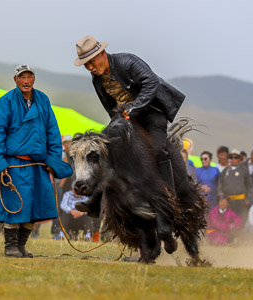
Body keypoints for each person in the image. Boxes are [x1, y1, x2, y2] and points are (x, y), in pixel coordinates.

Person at [73, 35, 186, 214]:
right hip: (125, 119)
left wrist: (134, 107)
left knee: (157, 150)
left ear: (102, 53)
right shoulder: (97, 80)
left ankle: (170, 197)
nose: (90, 68)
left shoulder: (127, 61)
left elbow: (152, 81)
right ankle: (95, 201)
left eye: (92, 62)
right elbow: (110, 106)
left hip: (152, 114)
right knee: (101, 148)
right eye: (86, 64)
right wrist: (118, 124)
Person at [0, 65, 72, 257]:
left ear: (33, 79)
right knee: (16, 206)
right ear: (15, 80)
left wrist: (53, 160)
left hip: (38, 165)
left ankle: (21, 246)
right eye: (21, 77)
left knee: (34, 208)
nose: (25, 81)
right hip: (13, 165)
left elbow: (53, 133)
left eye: (29, 77)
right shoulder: (6, 102)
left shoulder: (43, 100)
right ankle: (10, 247)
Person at [217, 149, 253, 219]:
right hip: (228, 201)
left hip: (241, 201)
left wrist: (248, 199)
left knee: (241, 219)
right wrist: (221, 196)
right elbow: (220, 185)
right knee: (228, 219)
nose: (233, 159)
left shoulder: (244, 170)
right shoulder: (225, 171)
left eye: (235, 157)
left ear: (239, 159)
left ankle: (241, 230)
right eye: (231, 157)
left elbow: (250, 186)